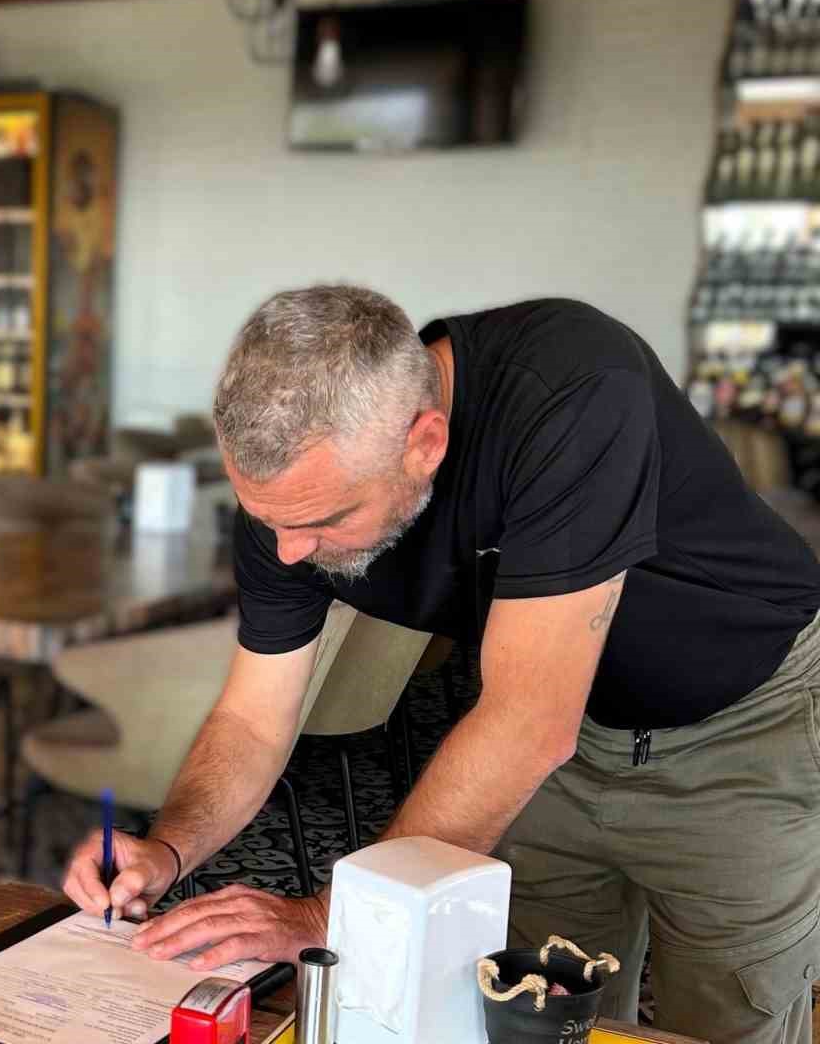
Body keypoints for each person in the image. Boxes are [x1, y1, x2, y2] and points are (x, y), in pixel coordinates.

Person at [64, 287, 820, 1044]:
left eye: (322, 521)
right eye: (267, 521)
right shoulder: (294, 497)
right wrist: (168, 847)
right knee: (530, 1018)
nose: (288, 551)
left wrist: (331, 914)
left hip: (746, 727)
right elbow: (252, 717)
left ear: (425, 442)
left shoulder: (572, 387)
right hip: (566, 745)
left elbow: (527, 722)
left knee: (726, 1024)